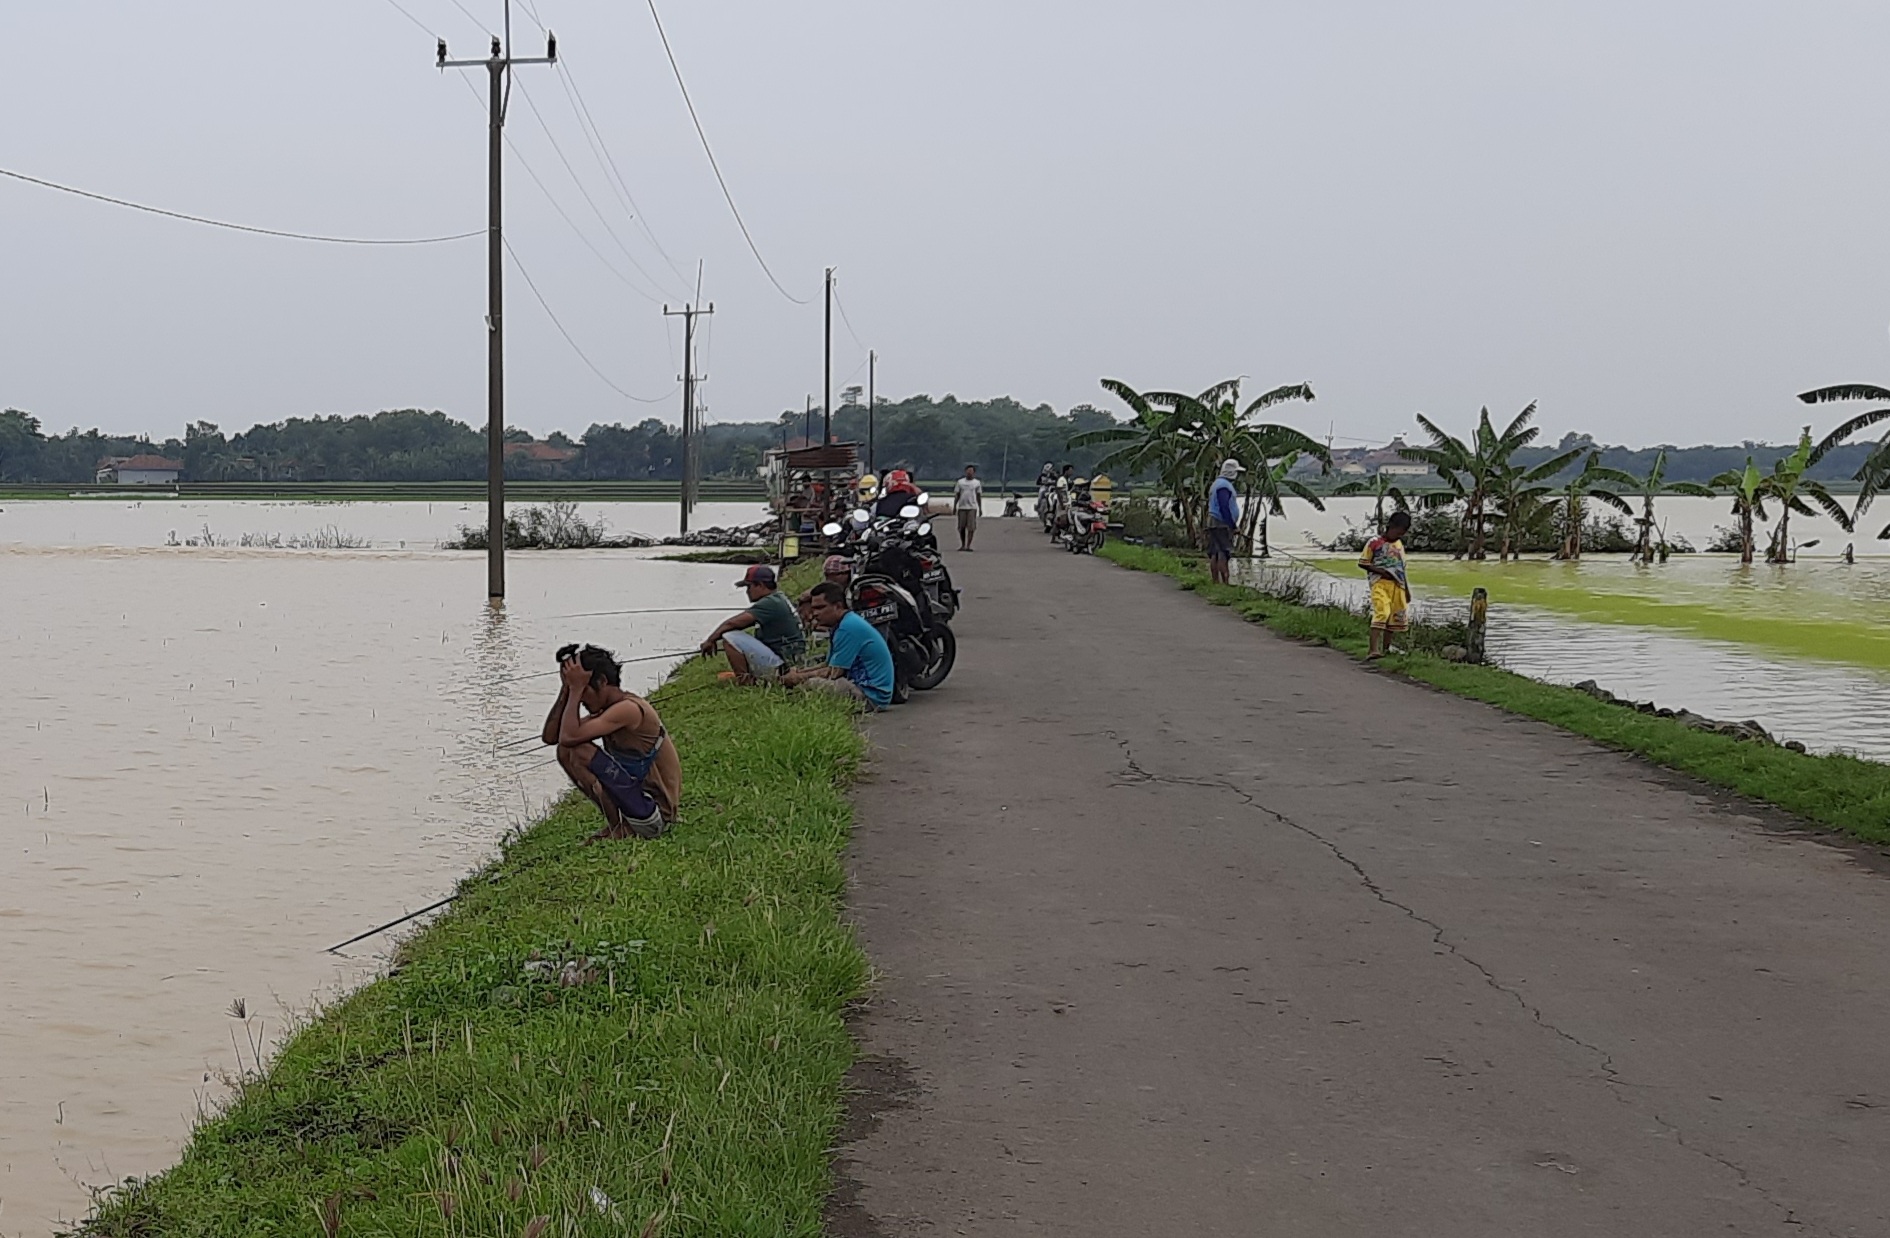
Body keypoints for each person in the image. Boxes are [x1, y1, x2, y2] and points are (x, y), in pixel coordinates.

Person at [543, 643, 682, 839]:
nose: (581, 700)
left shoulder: (628, 709)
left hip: (655, 814)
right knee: (565, 751)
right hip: (638, 805)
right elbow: (552, 737)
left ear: (601, 681)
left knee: (579, 750)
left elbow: (569, 737)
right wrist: (567, 691)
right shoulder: (607, 711)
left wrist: (575, 690)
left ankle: (620, 827)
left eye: (584, 691)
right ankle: (619, 825)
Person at [783, 582, 894, 709]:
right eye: (813, 608)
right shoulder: (841, 624)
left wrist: (797, 678)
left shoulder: (847, 628)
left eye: (820, 608)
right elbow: (828, 665)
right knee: (803, 684)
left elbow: (833, 673)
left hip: (870, 696)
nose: (815, 613)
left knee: (811, 684)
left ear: (838, 606)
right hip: (855, 686)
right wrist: (798, 672)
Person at [700, 564, 805, 683]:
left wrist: (710, 640)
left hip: (784, 666)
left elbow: (732, 623)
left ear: (760, 585)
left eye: (748, 587)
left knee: (730, 637)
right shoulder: (778, 598)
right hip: (792, 661)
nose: (747, 592)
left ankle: (745, 682)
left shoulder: (770, 602)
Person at [1358, 510, 1413, 660]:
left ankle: (1386, 649)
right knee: (1382, 612)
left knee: (1394, 616)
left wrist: (1406, 589)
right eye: (1398, 531)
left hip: (1397, 584)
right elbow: (1363, 563)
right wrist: (1381, 571)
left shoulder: (1399, 545)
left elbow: (1401, 568)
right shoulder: (1374, 542)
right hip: (1380, 583)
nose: (1399, 535)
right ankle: (1373, 649)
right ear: (1391, 527)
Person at [1206, 458, 1243, 585]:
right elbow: (1224, 507)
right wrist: (1232, 525)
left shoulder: (1217, 483)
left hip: (1213, 521)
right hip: (1220, 523)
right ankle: (1225, 581)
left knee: (1215, 552)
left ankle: (1216, 582)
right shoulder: (1224, 486)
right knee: (1223, 553)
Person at [952, 463, 983, 551]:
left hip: (972, 507)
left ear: (974, 473)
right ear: (965, 472)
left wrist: (980, 508)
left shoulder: (977, 483)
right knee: (961, 527)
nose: (969, 472)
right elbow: (957, 495)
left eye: (971, 471)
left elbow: (978, 496)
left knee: (971, 528)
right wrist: (954, 506)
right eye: (968, 471)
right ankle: (962, 544)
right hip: (962, 507)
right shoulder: (960, 482)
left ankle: (968, 545)